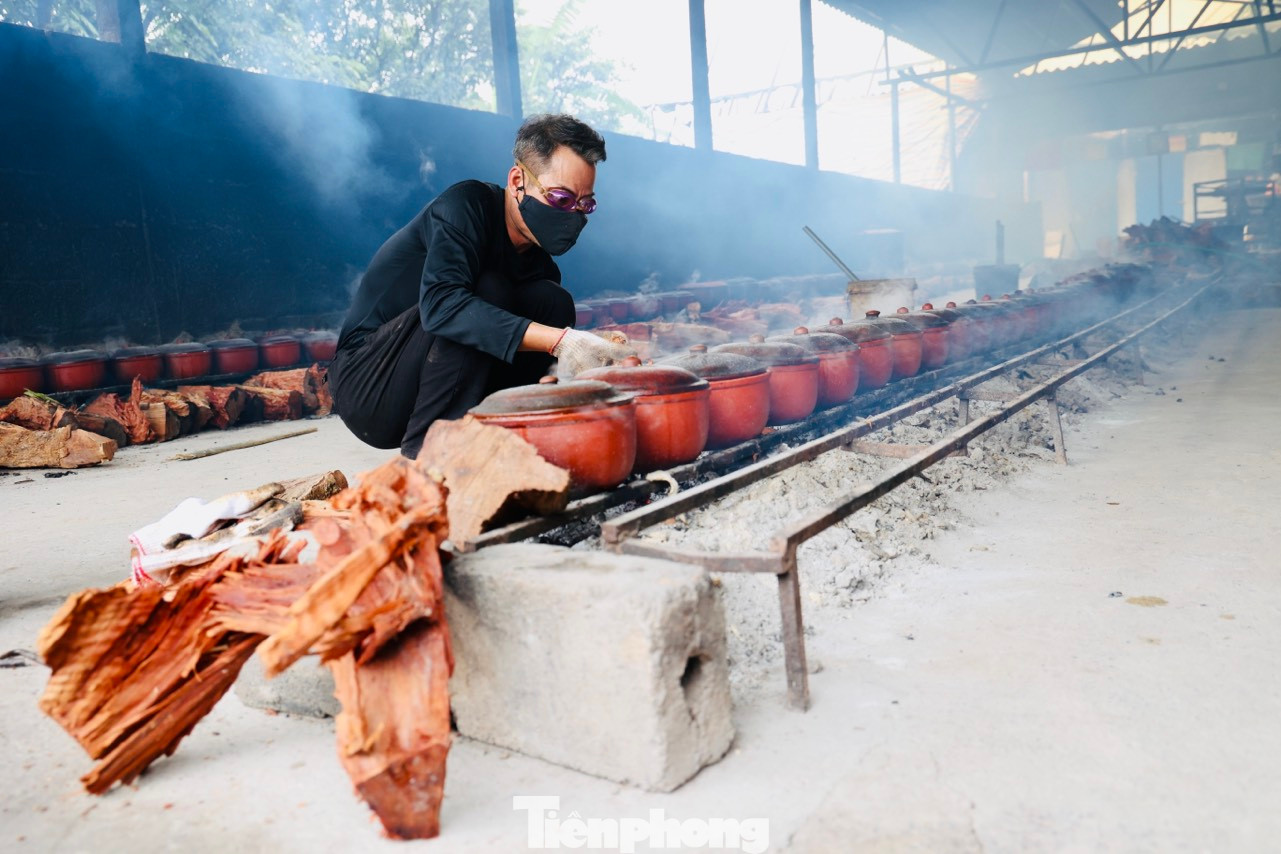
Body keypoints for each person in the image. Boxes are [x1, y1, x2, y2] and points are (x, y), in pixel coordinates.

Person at [328, 114, 635, 458]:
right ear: (517, 181)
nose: (573, 215)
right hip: (368, 383)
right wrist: (561, 341)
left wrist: (575, 360)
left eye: (585, 204)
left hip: (432, 382)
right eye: (561, 199)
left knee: (553, 302)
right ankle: (432, 454)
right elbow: (442, 306)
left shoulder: (539, 264)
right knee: (487, 291)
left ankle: (501, 435)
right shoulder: (465, 207)